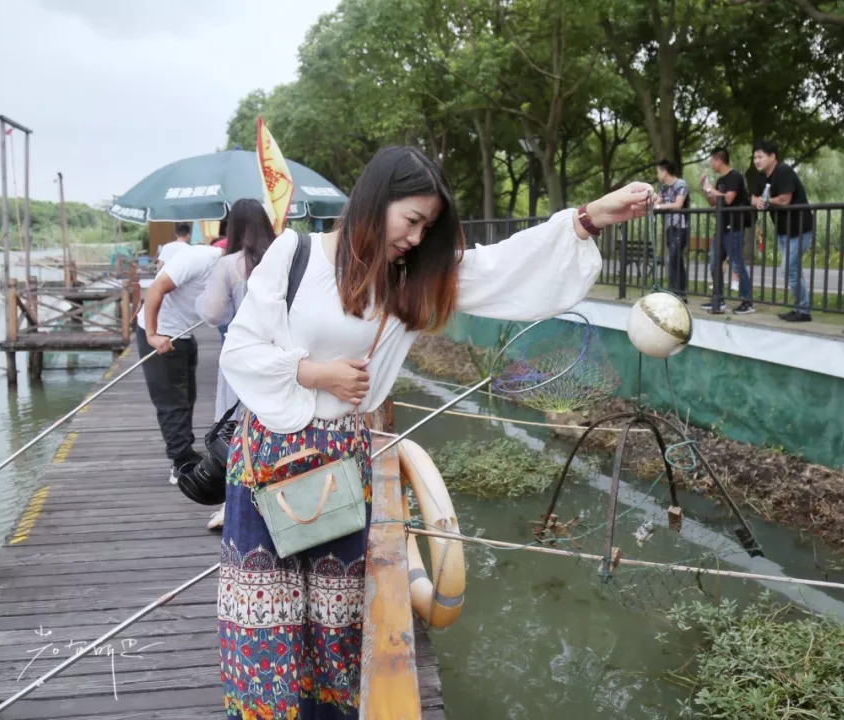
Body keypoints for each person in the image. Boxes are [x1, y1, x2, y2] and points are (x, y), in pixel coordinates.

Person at [218, 145, 653, 720]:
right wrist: (313, 371)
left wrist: (589, 217)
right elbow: (240, 348)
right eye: (412, 220)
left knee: (334, 633)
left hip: (339, 465)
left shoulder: (414, 279)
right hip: (266, 461)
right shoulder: (294, 254)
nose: (418, 238)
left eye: (428, 226)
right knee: (264, 636)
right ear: (377, 202)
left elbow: (503, 266)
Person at [196, 199, 275, 530]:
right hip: (280, 359)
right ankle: (277, 498)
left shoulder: (229, 265)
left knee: (234, 431)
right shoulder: (284, 257)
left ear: (233, 227)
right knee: (274, 427)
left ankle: (235, 505)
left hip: (241, 358)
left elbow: (214, 313)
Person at [137, 240, 224, 484]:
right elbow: (156, 288)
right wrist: (152, 335)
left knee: (187, 398)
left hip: (183, 334)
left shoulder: (232, 269)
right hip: (160, 334)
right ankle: (181, 462)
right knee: (172, 403)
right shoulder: (201, 258)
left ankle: (184, 453)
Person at [751, 139, 814, 322]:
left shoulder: (783, 171)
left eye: (760, 156)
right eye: (755, 157)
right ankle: (801, 308)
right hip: (783, 230)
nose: (756, 161)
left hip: (800, 228)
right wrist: (758, 201)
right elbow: (753, 198)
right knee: (794, 270)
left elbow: (785, 200)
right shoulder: (761, 177)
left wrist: (766, 201)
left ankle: (803, 310)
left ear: (772, 157)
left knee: (788, 269)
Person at [700, 147, 754, 315]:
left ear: (719, 160)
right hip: (721, 227)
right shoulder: (720, 181)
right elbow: (714, 203)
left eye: (712, 161)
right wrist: (705, 190)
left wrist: (710, 189)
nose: (711, 164)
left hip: (734, 226)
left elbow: (729, 199)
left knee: (737, 263)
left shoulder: (735, 177)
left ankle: (747, 301)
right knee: (715, 262)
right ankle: (719, 298)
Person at [652, 158, 689, 301]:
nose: (657, 175)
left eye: (658, 172)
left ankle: (675, 292)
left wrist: (659, 207)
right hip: (670, 227)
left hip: (681, 226)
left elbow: (678, 204)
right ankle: (680, 292)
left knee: (674, 257)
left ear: (665, 171)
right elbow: (656, 201)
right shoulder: (664, 187)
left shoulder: (681, 184)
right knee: (675, 259)